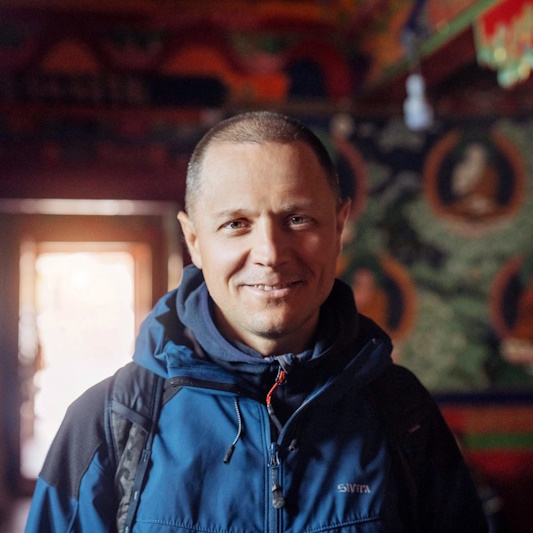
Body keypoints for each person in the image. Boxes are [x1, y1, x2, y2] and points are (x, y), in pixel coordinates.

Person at [25, 111, 488, 532]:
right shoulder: (110, 423)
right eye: (236, 224)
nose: (270, 253)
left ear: (338, 227)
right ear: (194, 240)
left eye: (298, 219)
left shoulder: (402, 412)